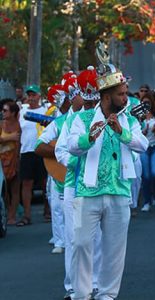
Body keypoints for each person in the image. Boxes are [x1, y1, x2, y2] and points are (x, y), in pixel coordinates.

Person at [67, 48, 148, 300]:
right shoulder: (83, 117)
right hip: (87, 190)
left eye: (125, 93)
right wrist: (89, 136)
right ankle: (81, 294)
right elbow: (72, 145)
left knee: (114, 249)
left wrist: (121, 131)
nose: (126, 98)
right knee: (80, 245)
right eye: (121, 94)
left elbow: (142, 144)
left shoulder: (129, 119)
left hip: (119, 190)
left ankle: (107, 295)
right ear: (107, 95)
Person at [55, 67, 102, 300]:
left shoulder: (109, 117)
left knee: (98, 237)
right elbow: (60, 151)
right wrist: (79, 160)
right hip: (75, 184)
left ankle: (95, 284)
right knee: (75, 238)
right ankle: (73, 286)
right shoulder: (71, 119)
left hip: (101, 185)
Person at [35, 83, 76, 254]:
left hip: (87, 177)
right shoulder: (58, 122)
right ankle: (60, 240)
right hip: (62, 174)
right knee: (58, 207)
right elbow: (38, 146)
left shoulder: (96, 118)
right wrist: (60, 152)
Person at [17, 84, 48, 226]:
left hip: (41, 150)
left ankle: (48, 211)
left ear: (39, 96)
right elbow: (19, 132)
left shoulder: (45, 110)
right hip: (26, 151)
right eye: (29, 95)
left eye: (33, 95)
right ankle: (27, 215)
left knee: (44, 182)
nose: (31, 98)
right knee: (26, 183)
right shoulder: (22, 112)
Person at [140, 94, 155, 212]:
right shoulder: (139, 117)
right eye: (143, 103)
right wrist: (142, 133)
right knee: (146, 175)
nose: (146, 105)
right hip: (144, 148)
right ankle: (146, 201)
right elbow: (134, 135)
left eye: (148, 103)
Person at [0, 99, 21, 225]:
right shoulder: (1, 124)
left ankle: (12, 216)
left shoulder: (18, 125)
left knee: (14, 189)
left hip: (14, 159)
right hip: (2, 160)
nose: (2, 112)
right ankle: (5, 212)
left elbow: (19, 143)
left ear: (13, 113)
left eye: (5, 110)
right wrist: (9, 137)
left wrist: (18, 160)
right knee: (4, 190)